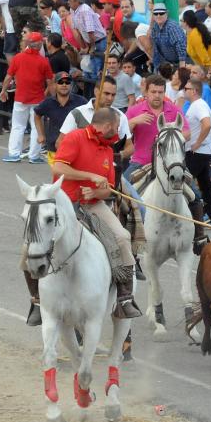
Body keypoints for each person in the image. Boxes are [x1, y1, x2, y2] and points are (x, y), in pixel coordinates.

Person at [52, 108, 142, 318]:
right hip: (63, 201)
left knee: (122, 236)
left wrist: (95, 190)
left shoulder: (108, 149)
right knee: (35, 239)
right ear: (108, 125)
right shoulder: (75, 137)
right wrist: (89, 175)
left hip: (92, 204)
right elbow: (58, 168)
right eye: (117, 126)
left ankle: (124, 296)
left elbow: (107, 189)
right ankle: (37, 300)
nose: (119, 131)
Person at [0, 31, 53, 164]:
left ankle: (14, 154)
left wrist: (3, 90)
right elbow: (50, 82)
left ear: (28, 43)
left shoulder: (18, 58)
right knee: (36, 127)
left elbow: (8, 77)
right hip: (38, 99)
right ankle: (34, 156)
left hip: (20, 98)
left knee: (18, 126)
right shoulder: (43, 61)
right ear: (40, 44)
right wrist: (49, 95)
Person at [184, 76, 211, 245]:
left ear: (194, 91)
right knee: (204, 183)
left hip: (197, 151)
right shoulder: (197, 105)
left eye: (187, 88)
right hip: (201, 150)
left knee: (186, 180)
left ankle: (197, 212)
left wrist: (197, 143)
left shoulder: (198, 105)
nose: (184, 91)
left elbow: (207, 124)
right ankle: (208, 214)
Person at [33, 71, 85, 164]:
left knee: (70, 176)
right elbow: (37, 115)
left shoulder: (81, 101)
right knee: (59, 176)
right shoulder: (47, 103)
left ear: (71, 85)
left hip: (75, 149)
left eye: (67, 82)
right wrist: (40, 134)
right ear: (55, 85)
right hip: (53, 149)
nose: (64, 85)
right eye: (61, 82)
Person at [68, 0, 106, 80]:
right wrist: (85, 47)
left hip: (99, 42)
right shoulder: (72, 10)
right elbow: (77, 30)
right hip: (91, 42)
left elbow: (90, 31)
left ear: (77, 2)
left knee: (95, 72)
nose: (68, 2)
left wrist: (92, 47)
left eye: (70, 0)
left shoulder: (85, 10)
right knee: (88, 71)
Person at [151, 2, 187, 70]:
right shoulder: (155, 28)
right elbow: (156, 50)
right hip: (168, 64)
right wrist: (157, 67)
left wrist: (182, 67)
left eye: (161, 13)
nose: (158, 16)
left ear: (166, 14)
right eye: (156, 14)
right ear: (153, 16)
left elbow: (181, 45)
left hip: (181, 62)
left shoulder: (172, 27)